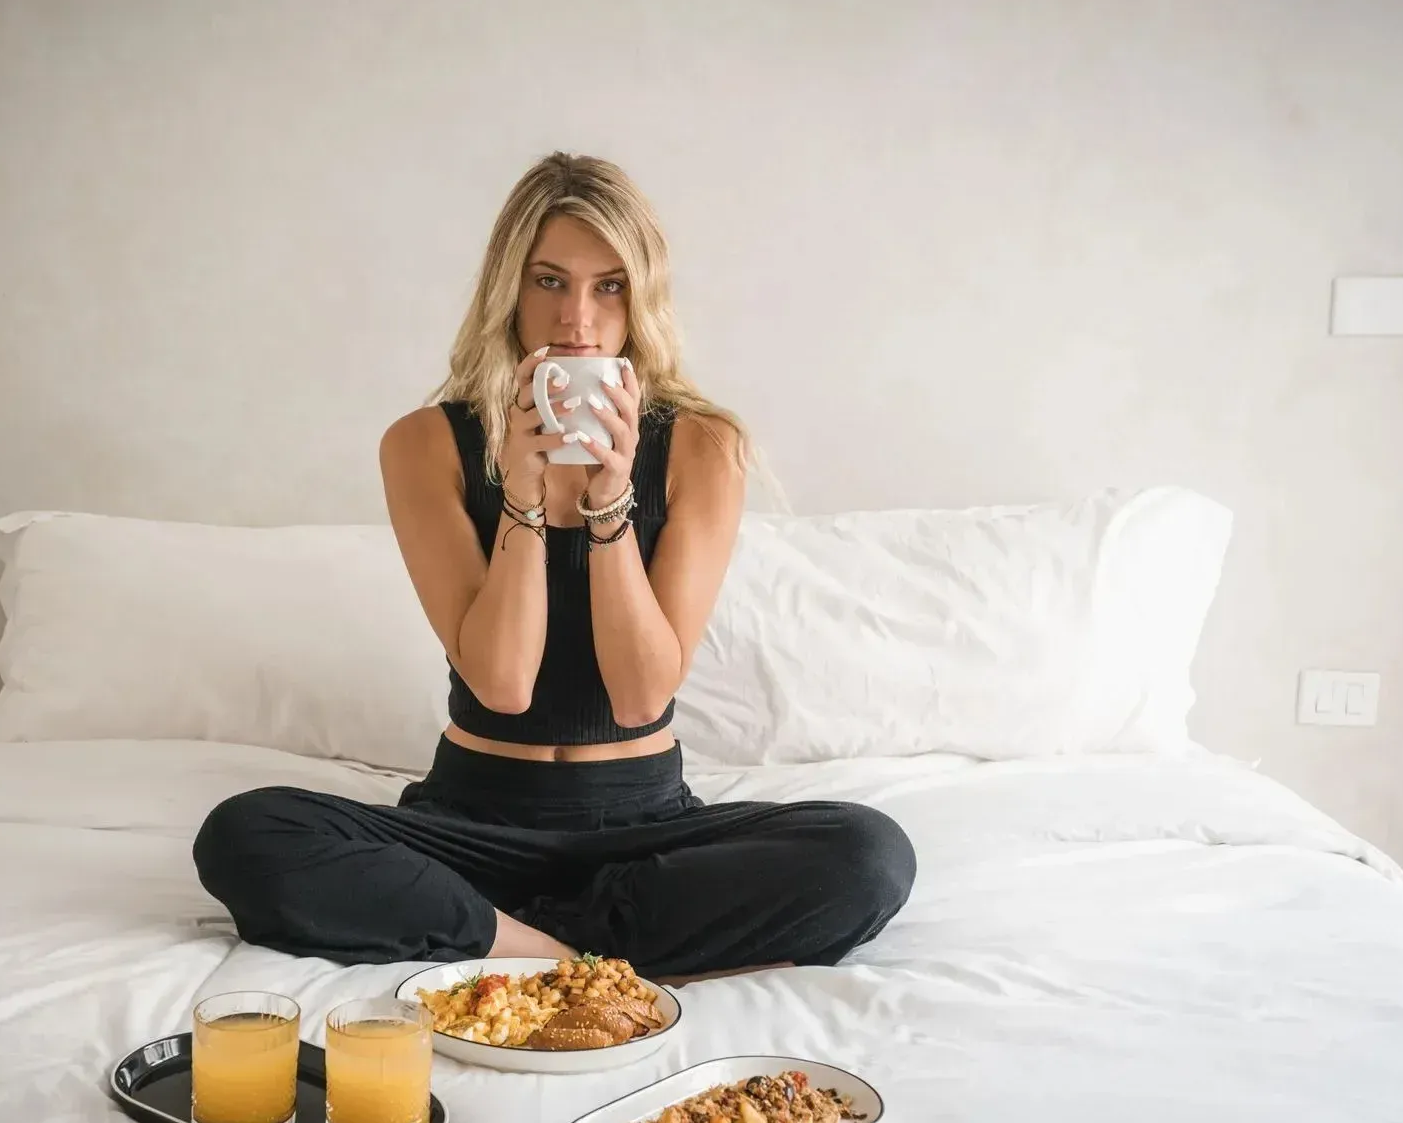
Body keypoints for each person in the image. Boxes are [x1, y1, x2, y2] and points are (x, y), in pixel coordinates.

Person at [193, 152, 914, 979]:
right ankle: (566, 953)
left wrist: (611, 500)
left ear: (641, 298)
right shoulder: (426, 443)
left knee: (868, 855)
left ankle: (484, 933)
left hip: (643, 824)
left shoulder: (701, 446)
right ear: (510, 288)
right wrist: (524, 497)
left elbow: (642, 694)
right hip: (472, 818)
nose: (577, 318)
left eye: (609, 286)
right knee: (246, 835)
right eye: (549, 281)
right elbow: (502, 686)